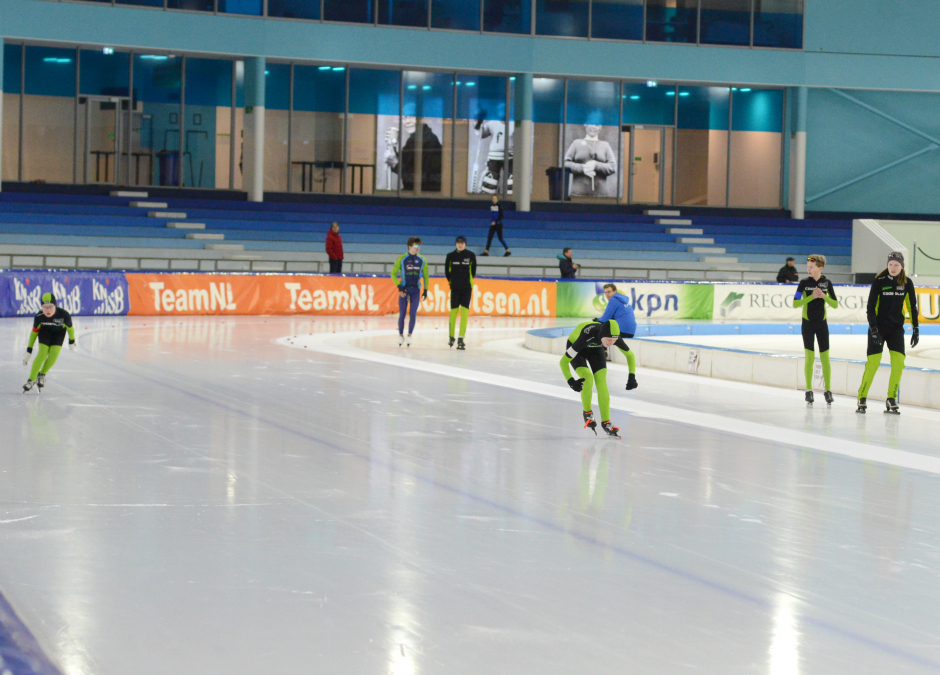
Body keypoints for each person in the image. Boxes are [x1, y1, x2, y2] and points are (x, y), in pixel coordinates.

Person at [856, 251, 919, 414]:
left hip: (896, 329)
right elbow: (870, 307)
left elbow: (912, 307)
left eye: (896, 265)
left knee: (899, 363)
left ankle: (891, 398)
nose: (892, 267)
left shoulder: (907, 283)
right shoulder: (879, 281)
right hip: (878, 328)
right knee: (873, 364)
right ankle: (862, 397)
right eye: (890, 264)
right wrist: (874, 329)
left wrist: (916, 328)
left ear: (902, 266)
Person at [559, 319, 627, 438]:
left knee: (602, 382)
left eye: (614, 341)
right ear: (602, 335)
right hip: (578, 346)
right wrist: (570, 381)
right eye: (609, 340)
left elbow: (630, 355)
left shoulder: (611, 337)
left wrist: (632, 376)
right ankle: (588, 413)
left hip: (595, 348)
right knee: (587, 378)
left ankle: (606, 422)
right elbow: (563, 362)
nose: (611, 343)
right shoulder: (586, 335)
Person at [793, 254, 838, 405]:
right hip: (807, 324)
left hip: (822, 324)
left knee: (825, 358)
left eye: (811, 267)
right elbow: (795, 303)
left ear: (820, 268)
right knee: (809, 358)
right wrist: (811, 297)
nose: (808, 270)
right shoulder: (804, 283)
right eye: (807, 267)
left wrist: (824, 296)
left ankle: (828, 390)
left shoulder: (827, 283)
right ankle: (809, 390)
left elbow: (835, 304)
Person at [22, 293, 76, 393]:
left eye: (50, 307)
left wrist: (71, 341)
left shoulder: (64, 315)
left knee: (53, 355)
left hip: (59, 333)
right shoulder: (39, 316)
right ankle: (31, 380)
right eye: (45, 307)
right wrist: (29, 350)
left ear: (55, 305)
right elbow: (34, 333)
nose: (48, 310)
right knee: (42, 354)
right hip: (45, 332)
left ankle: (42, 374)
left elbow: (71, 329)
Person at [596, 284, 639, 391]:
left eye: (609, 292)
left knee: (598, 329)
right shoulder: (623, 300)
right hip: (630, 330)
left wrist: (596, 321)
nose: (607, 294)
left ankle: (601, 352)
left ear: (615, 291)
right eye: (605, 292)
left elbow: (605, 317)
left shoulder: (613, 300)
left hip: (621, 330)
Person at [391, 237, 429, 347]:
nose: (418, 248)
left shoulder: (422, 260)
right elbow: (393, 274)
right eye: (416, 246)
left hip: (416, 290)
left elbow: (426, 276)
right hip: (405, 289)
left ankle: (409, 335)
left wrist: (425, 290)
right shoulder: (402, 259)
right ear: (409, 247)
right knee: (402, 313)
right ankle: (400, 335)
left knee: (413, 313)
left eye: (419, 246)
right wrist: (399, 286)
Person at [563, 124, 617, 198]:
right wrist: (582, 168)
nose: (593, 127)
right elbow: (565, 164)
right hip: (578, 194)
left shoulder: (605, 145)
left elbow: (613, 167)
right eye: (591, 123)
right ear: (585, 125)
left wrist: (596, 165)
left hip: (601, 195)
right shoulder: (576, 143)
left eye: (597, 125)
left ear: (600, 127)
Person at [444, 235, 477, 350]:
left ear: (465, 243)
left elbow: (473, 272)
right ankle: (451, 336)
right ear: (456, 244)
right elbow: (447, 273)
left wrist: (467, 283)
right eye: (458, 242)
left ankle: (461, 338)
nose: (460, 244)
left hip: (467, 288)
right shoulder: (450, 256)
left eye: (462, 242)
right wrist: (453, 283)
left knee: (464, 313)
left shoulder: (471, 255)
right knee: (453, 312)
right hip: (455, 289)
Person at [476, 115, 514, 195]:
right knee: (490, 183)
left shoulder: (514, 124)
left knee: (511, 183)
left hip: (510, 157)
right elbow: (480, 134)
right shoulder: (492, 123)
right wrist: (478, 122)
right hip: (494, 157)